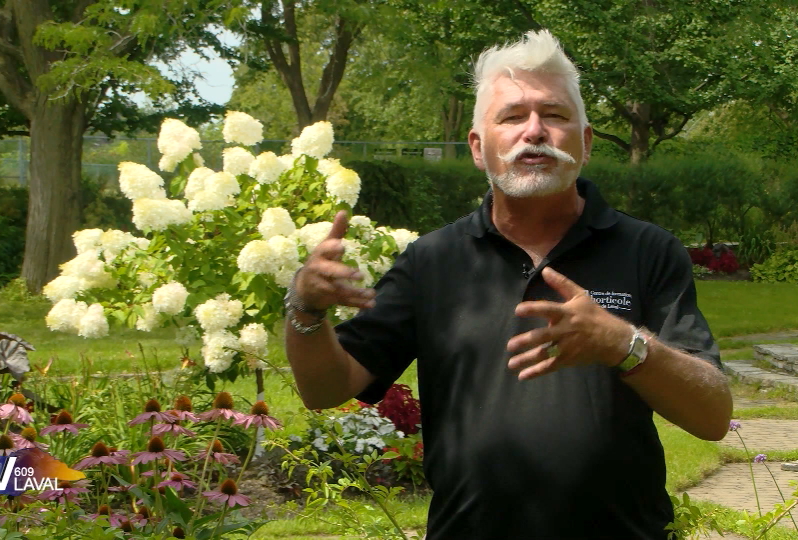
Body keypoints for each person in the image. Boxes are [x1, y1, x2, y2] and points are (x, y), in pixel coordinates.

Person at [283, 29, 732, 540]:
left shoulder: (647, 250)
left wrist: (622, 344)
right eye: (513, 116)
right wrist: (306, 309)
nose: (535, 131)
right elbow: (326, 388)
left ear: (584, 144)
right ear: (479, 147)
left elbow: (713, 415)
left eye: (556, 115)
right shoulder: (432, 262)